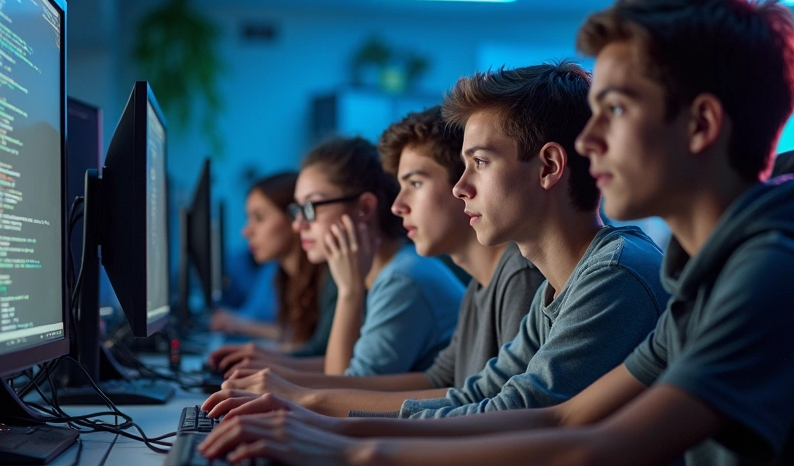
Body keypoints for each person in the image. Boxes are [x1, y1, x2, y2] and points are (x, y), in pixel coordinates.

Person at [197, 0, 794, 466]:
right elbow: (563, 419)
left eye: (614, 110)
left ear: (701, 125)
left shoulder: (772, 274)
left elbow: (595, 463)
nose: (587, 141)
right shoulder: (704, 272)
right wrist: (331, 431)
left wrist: (350, 456)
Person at [202, 61, 689, 466]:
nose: (461, 188)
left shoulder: (617, 274)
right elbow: (478, 394)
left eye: (479, 162)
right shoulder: (557, 289)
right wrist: (326, 427)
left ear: (548, 167)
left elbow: (523, 415)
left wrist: (340, 440)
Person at [215, 106, 545, 417]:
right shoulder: (478, 285)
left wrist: (307, 398)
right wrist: (292, 388)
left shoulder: (415, 277)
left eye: (415, 184)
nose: (399, 205)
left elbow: (497, 408)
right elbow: (438, 382)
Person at [213, 136, 464, 377]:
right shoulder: (390, 272)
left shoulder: (401, 279)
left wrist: (349, 291)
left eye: (311, 207)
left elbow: (345, 383)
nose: (298, 225)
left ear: (364, 208)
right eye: (297, 210)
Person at [208, 172, 337, 356]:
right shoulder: (279, 274)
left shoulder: (330, 279)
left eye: (259, 218)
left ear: (294, 218)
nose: (246, 232)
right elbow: (297, 338)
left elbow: (320, 353)